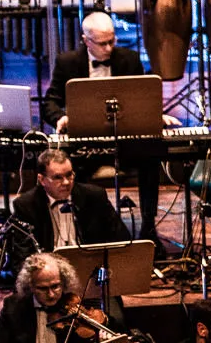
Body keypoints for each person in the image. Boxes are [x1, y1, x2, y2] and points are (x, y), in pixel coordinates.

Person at [41, 12, 162, 236]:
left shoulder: (130, 59)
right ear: (86, 41)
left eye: (112, 41)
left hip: (124, 142)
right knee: (71, 168)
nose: (108, 48)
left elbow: (142, 98)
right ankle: (86, 230)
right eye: (102, 43)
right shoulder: (67, 62)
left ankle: (148, 225)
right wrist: (61, 117)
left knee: (151, 157)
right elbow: (50, 101)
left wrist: (153, 114)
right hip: (86, 144)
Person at [11, 147, 128, 252]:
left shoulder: (94, 196)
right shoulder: (26, 205)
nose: (66, 182)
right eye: (58, 178)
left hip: (89, 266)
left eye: (69, 175)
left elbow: (121, 239)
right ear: (41, 180)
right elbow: (22, 255)